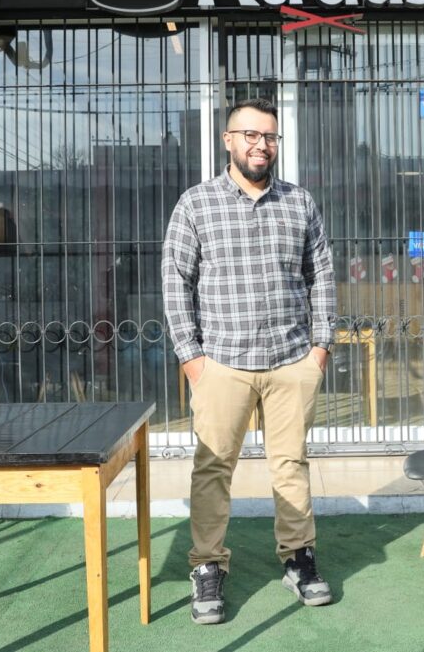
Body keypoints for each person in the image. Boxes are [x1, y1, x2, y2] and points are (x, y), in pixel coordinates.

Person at [162, 97, 337, 625]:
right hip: (222, 363)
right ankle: (207, 565)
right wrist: (192, 359)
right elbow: (176, 282)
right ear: (228, 140)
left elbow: (321, 276)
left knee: (291, 465)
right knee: (213, 467)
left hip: (291, 360)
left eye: (270, 137)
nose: (262, 145)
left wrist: (319, 349)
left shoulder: (300, 203)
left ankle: (299, 558)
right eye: (251, 135)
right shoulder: (196, 204)